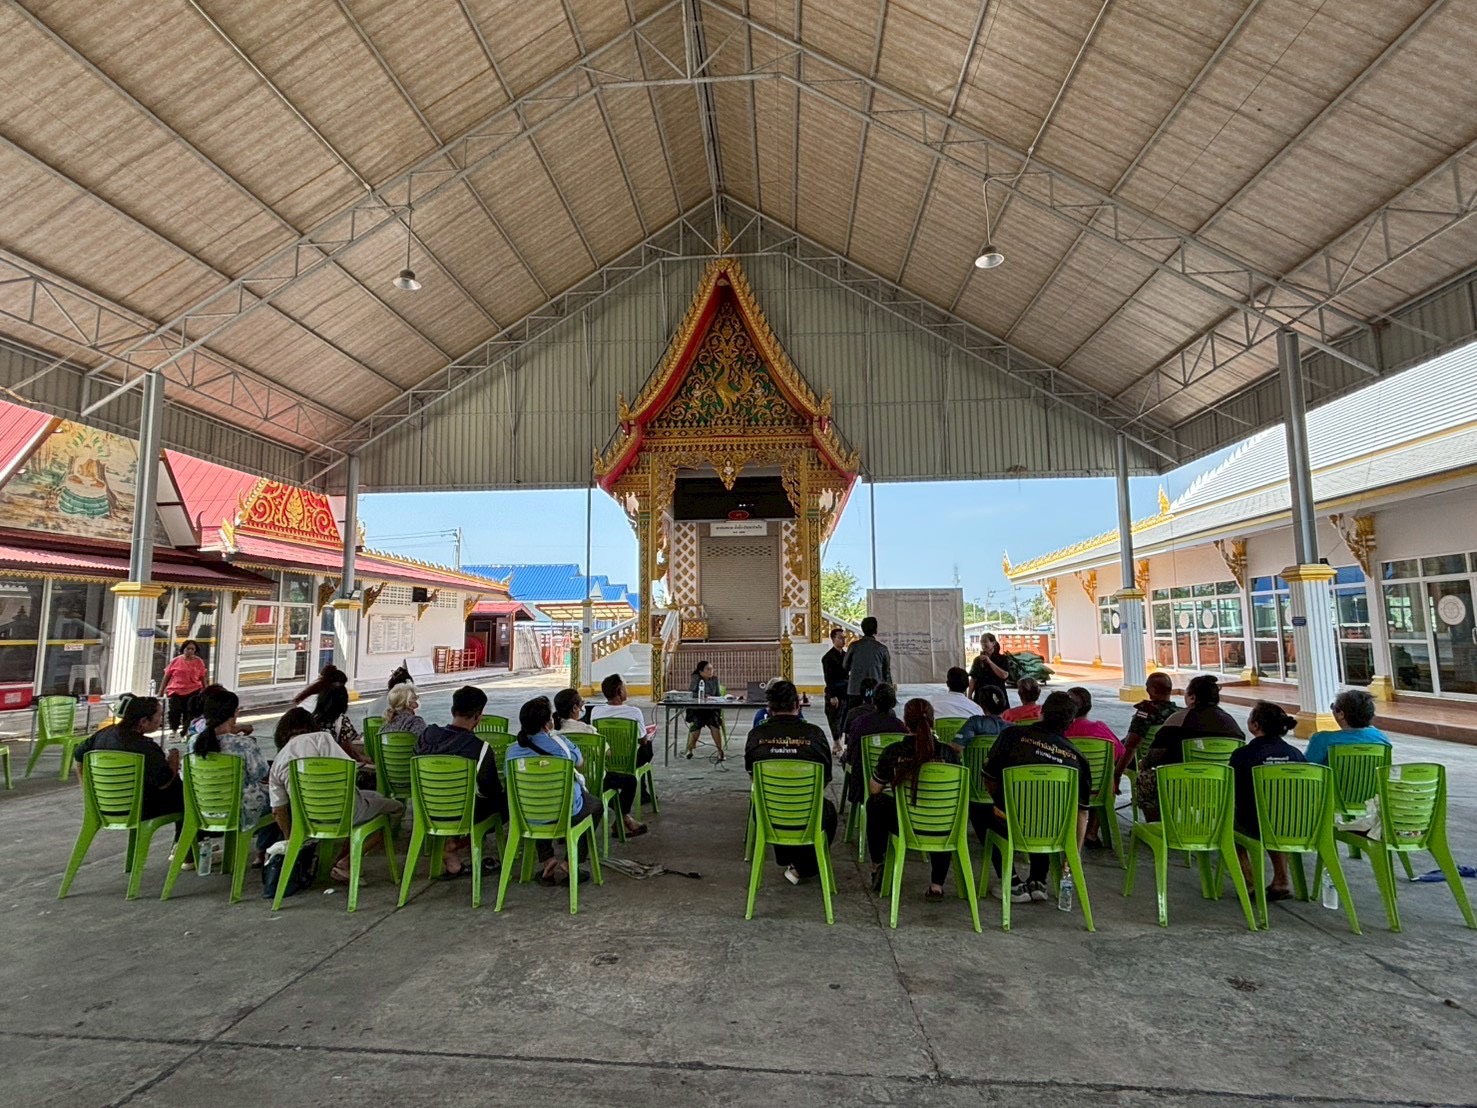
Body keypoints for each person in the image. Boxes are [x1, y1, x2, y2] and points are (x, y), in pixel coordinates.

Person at [976, 691, 1091, 904]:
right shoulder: (1077, 759)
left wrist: (1002, 801)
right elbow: (1082, 813)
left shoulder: (1011, 736)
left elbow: (989, 779)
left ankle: (1012, 883)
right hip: (1055, 830)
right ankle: (1038, 880)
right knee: (1044, 813)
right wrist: (1072, 856)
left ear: (1042, 713)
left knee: (981, 813)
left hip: (1010, 822)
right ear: (1071, 722)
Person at [269, 707, 404, 884]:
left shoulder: (278, 761)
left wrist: (291, 840)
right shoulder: (321, 738)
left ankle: (341, 862)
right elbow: (349, 769)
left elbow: (278, 810)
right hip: (347, 810)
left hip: (310, 819)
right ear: (311, 725)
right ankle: (346, 861)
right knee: (394, 809)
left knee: (373, 797)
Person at [865, 698, 961, 899]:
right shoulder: (948, 754)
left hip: (906, 824)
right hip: (942, 825)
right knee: (941, 810)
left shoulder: (894, 752)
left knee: (874, 803)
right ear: (933, 722)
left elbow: (874, 789)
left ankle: (877, 865)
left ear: (905, 722)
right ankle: (936, 885)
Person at [744, 679, 836, 885]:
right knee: (826, 810)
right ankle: (803, 867)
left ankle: (792, 861)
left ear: (769, 707)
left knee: (772, 806)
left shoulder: (756, 735)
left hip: (768, 813)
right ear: (798, 704)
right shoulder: (815, 734)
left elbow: (753, 776)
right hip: (808, 813)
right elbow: (825, 778)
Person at [506, 696, 603, 885]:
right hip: (563, 812)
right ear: (547, 724)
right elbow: (580, 763)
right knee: (595, 806)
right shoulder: (560, 744)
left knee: (537, 799)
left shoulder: (512, 751)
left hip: (527, 814)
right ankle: (570, 861)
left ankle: (547, 859)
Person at [416, 685, 506, 877]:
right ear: (478, 715)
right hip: (463, 813)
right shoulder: (479, 748)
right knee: (505, 802)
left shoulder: (426, 735)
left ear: (452, 710)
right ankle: (454, 845)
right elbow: (490, 790)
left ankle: (453, 859)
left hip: (426, 807)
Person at [73, 695, 184, 842]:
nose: (161, 720)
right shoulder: (145, 747)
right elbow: (165, 782)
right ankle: (186, 850)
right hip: (139, 809)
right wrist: (174, 759)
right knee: (187, 794)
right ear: (144, 721)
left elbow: (78, 756)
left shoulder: (104, 734)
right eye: (159, 715)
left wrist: (87, 792)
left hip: (103, 805)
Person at [1136, 674, 1244, 821]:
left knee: (1145, 777)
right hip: (1220, 786)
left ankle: (1158, 826)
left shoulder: (1179, 719)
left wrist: (1143, 764)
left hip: (1185, 786)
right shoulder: (1231, 723)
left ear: (1192, 697)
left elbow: (1154, 755)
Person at [1229, 701, 1306, 901]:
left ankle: (1249, 882)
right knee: (1277, 814)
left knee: (1228, 824)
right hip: (1294, 824)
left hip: (1256, 823)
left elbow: (1232, 792)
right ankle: (1281, 880)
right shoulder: (1296, 754)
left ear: (1254, 725)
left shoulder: (1243, 755)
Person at [553, 688, 646, 838]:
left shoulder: (554, 734)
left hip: (566, 783)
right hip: (593, 780)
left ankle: (624, 819)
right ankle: (622, 818)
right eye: (582, 703)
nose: (584, 707)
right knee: (629, 781)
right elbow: (607, 753)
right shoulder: (587, 730)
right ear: (575, 708)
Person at [191, 686, 270, 832]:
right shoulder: (244, 744)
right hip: (241, 810)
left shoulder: (194, 742)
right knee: (281, 799)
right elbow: (261, 773)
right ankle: (268, 849)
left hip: (202, 807)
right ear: (235, 713)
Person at [1064, 686, 1122, 849]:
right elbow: (1119, 754)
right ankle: (1092, 831)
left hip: (1067, 789)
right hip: (1098, 790)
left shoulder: (1062, 731)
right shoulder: (1101, 728)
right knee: (1105, 783)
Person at [590, 674, 656, 803]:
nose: (627, 691)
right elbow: (642, 741)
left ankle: (641, 791)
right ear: (619, 692)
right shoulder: (634, 712)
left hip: (606, 760)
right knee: (647, 746)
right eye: (625, 688)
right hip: (629, 760)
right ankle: (641, 791)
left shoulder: (595, 712)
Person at [1116, 671, 1179, 780]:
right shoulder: (1178, 714)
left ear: (1153, 690)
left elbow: (1131, 746)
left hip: (1144, 763)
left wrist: (1117, 774)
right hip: (1170, 764)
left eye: (1147, 687)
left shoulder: (1146, 712)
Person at [1304, 689, 1391, 765]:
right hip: (1372, 784)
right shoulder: (1381, 739)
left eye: (1333, 707)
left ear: (1341, 714)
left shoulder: (1322, 739)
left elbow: (1307, 769)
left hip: (1334, 784)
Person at [161, 640, 208, 739]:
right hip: (176, 690)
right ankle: (173, 730)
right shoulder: (176, 661)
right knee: (175, 711)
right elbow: (167, 676)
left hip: (193, 690)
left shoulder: (199, 662)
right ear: (183, 649)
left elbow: (202, 676)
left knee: (190, 712)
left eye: (193, 649)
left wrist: (206, 689)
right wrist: (161, 690)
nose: (190, 651)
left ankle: (185, 732)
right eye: (188, 649)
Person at [843, 616, 892, 710]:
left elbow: (845, 666)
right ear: (875, 630)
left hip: (855, 690)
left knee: (854, 717)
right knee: (875, 718)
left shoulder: (854, 646)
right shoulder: (882, 649)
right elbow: (886, 672)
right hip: (876, 691)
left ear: (862, 629)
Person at [684, 661, 725, 762]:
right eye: (708, 669)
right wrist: (701, 696)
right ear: (701, 672)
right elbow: (691, 693)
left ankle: (720, 751)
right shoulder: (696, 679)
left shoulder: (715, 679)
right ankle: (690, 750)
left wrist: (713, 698)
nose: (711, 671)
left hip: (711, 709)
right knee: (697, 724)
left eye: (711, 669)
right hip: (698, 709)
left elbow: (718, 695)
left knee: (714, 724)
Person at [954, 684, 1011, 752]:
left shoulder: (974, 723)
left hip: (973, 762)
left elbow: (956, 747)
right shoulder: (1011, 728)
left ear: (981, 704)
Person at [821, 628, 849, 753]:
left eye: (844, 637)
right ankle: (836, 741)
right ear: (833, 639)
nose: (843, 640)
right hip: (834, 691)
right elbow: (828, 678)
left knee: (844, 718)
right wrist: (832, 695)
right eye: (840, 638)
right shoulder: (828, 658)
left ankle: (840, 742)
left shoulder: (846, 655)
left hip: (846, 691)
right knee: (833, 717)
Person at [968, 633, 1010, 708]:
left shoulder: (1002, 658)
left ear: (993, 643)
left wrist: (989, 662)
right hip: (981, 694)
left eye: (985, 641)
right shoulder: (978, 660)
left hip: (997, 694)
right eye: (981, 642)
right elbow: (973, 678)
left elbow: (1004, 675)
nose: (983, 644)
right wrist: (969, 695)